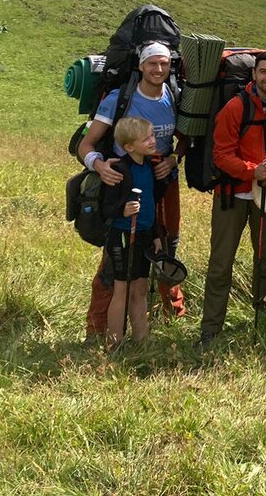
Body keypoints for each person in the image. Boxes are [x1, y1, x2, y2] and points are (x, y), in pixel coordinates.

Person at [77, 42, 184, 340]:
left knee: (165, 247)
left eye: (163, 64)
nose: (158, 69)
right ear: (141, 66)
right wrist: (100, 166)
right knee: (114, 264)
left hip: (161, 183)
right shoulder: (118, 99)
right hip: (123, 183)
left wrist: (174, 159)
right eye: (152, 64)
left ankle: (167, 318)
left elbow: (186, 139)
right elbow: (84, 144)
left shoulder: (174, 96)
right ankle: (99, 330)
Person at [199, 51, 266, 348]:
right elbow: (221, 154)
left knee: (265, 258)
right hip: (231, 195)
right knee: (221, 263)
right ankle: (210, 330)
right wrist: (252, 171)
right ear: (254, 75)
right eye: (264, 72)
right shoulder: (235, 107)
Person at [100, 116, 163, 350]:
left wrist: (156, 235)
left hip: (145, 235)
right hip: (123, 236)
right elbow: (106, 208)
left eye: (152, 135)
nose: (152, 141)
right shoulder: (119, 169)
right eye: (146, 138)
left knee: (140, 288)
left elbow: (151, 204)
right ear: (129, 146)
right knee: (122, 290)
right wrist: (122, 210)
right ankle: (113, 344)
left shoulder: (150, 166)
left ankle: (141, 343)